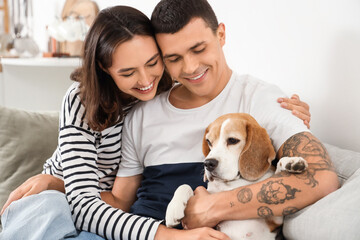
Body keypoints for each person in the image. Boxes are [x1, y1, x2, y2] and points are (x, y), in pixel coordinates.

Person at [0, 3, 312, 240]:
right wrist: (58, 184)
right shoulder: (84, 101)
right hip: (62, 204)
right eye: (127, 72)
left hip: (104, 212)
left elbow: (118, 201)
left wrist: (287, 117)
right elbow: (86, 207)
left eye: (153, 62)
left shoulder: (167, 87)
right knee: (50, 209)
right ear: (104, 68)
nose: (146, 79)